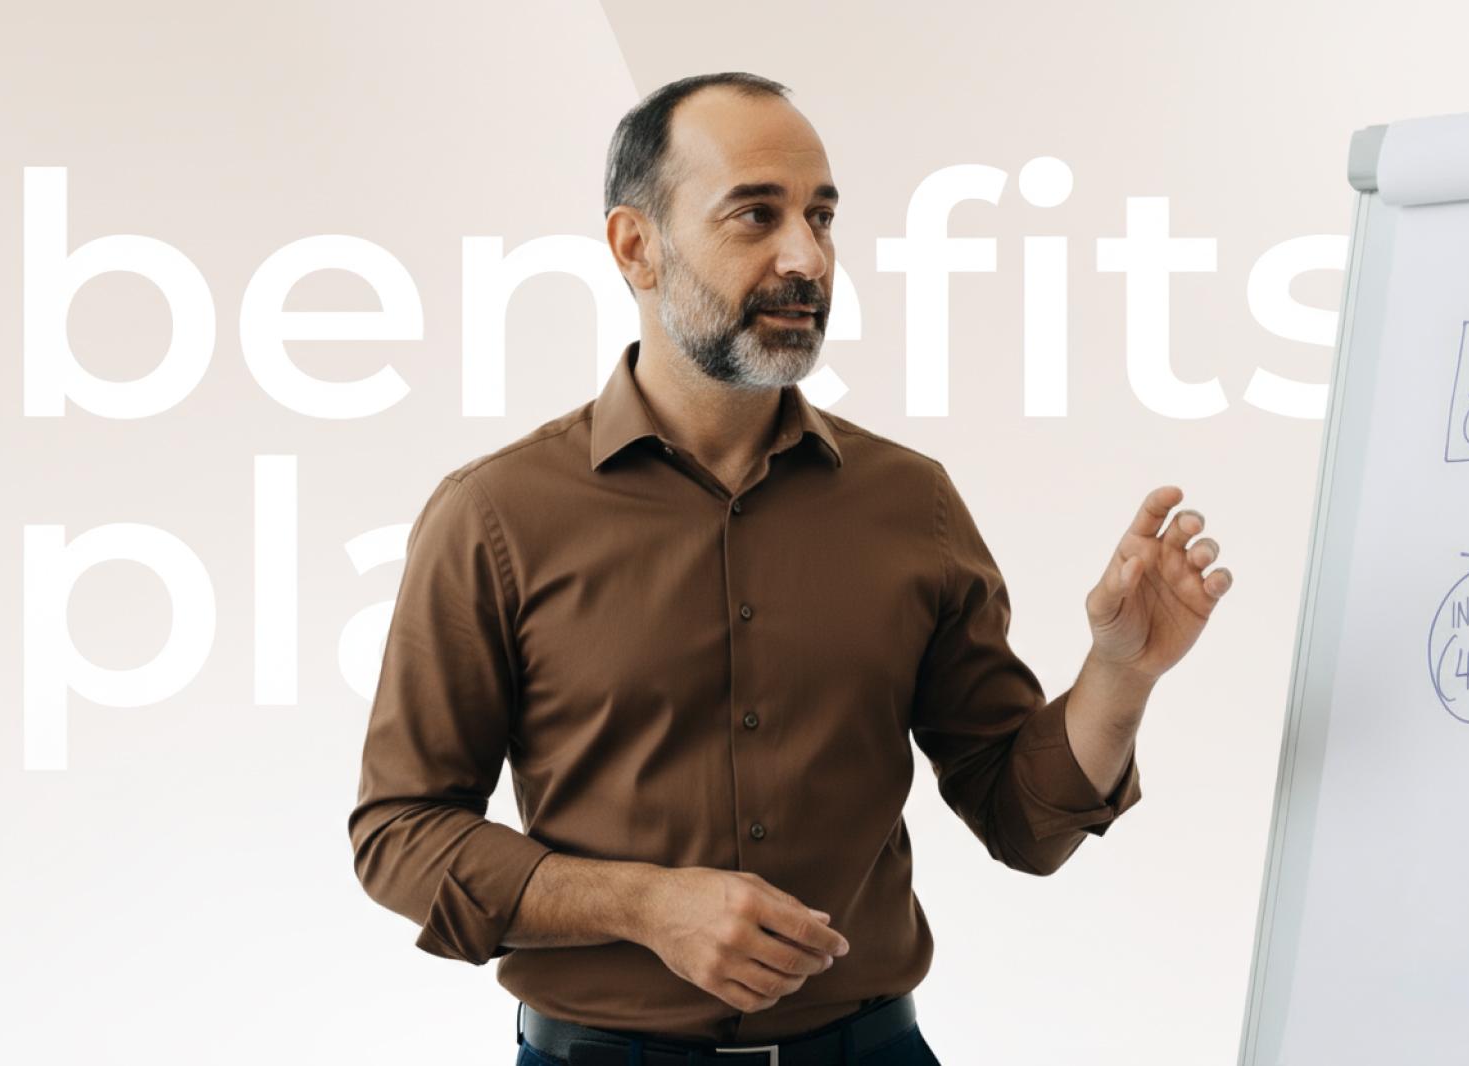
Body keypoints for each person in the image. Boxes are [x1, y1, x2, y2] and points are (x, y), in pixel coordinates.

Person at [348, 71, 1233, 1066]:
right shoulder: (495, 516)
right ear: (635, 247)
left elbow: (1022, 822)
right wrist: (642, 904)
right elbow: (403, 832)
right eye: (754, 214)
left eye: (820, 216)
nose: (805, 256)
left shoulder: (912, 504)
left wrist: (1120, 674)